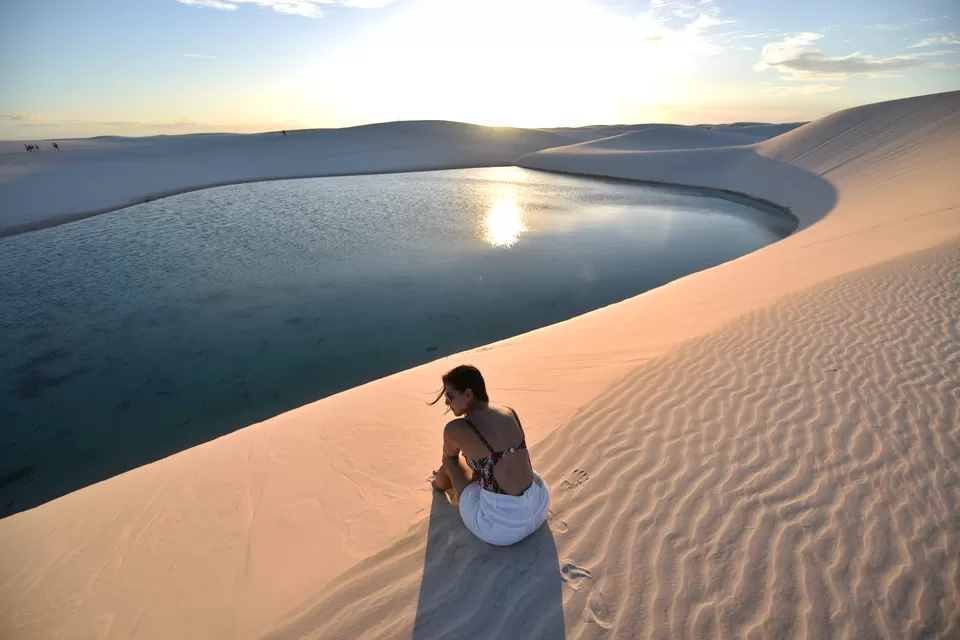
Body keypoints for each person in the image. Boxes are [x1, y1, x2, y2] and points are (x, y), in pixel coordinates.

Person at [429, 364, 550, 546]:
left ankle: (437, 485)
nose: (447, 403)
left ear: (468, 394)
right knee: (498, 461)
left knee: (451, 462)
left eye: (450, 397)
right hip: (540, 504)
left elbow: (448, 460)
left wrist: (440, 482)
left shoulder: (455, 429)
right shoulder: (508, 411)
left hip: (503, 529)